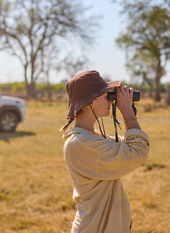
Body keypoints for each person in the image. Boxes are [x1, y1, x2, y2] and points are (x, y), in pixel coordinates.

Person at [60, 70, 150, 232]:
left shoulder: (90, 137)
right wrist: (127, 111)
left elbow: (132, 145)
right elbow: (138, 150)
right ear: (90, 102)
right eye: (106, 95)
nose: (111, 101)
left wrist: (126, 106)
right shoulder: (81, 143)